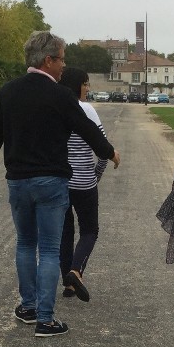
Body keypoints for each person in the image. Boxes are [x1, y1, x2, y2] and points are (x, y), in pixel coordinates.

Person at [0, 31, 120, 338]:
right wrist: (109, 152)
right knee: (51, 249)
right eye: (62, 60)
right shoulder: (60, 95)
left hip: (18, 182)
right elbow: (87, 129)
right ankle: (45, 318)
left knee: (26, 244)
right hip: (51, 182)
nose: (64, 67)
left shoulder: (9, 91)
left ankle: (27, 307)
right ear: (48, 60)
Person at [56, 66, 116, 302]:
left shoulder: (56, 108)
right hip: (84, 182)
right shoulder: (87, 110)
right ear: (77, 85)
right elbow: (102, 149)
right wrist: (96, 175)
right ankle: (76, 270)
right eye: (86, 83)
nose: (88, 89)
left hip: (61, 180)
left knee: (65, 232)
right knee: (90, 230)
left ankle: (68, 284)